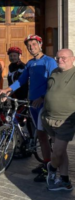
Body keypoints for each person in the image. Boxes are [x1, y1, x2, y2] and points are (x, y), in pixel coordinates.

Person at [0, 34, 57, 182]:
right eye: (29, 46)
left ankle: (51, 168)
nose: (32, 47)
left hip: (45, 104)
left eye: (34, 44)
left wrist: (43, 97)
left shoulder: (49, 62)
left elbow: (54, 83)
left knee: (47, 137)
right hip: (33, 104)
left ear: (40, 44)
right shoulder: (30, 64)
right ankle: (46, 162)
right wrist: (8, 90)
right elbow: (21, 80)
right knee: (41, 136)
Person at [42, 49, 75, 191]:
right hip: (49, 118)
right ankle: (65, 180)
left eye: (63, 58)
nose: (60, 60)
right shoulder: (54, 72)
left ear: (73, 58)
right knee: (61, 151)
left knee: (57, 152)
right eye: (57, 58)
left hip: (66, 121)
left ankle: (51, 167)